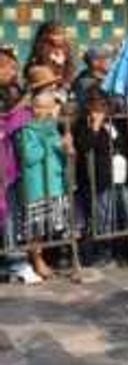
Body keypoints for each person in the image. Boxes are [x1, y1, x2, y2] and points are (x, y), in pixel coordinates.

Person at [17, 71, 73, 280]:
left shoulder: (51, 128)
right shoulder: (28, 129)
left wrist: (65, 146)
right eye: (43, 108)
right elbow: (30, 156)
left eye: (50, 108)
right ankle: (36, 259)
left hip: (54, 182)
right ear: (34, 109)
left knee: (53, 223)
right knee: (36, 228)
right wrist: (46, 141)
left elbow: (59, 148)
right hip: (37, 185)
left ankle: (51, 257)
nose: (48, 113)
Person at [73, 89, 128, 261]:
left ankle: (125, 248)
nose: (101, 106)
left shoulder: (113, 122)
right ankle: (104, 251)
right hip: (98, 179)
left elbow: (124, 143)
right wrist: (94, 126)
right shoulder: (83, 123)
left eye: (103, 103)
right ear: (88, 105)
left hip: (119, 177)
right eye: (96, 103)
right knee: (104, 218)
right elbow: (84, 145)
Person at [0, 45, 41, 284]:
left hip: (10, 163)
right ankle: (13, 261)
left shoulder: (14, 89)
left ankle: (14, 259)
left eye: (14, 66)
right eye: (7, 67)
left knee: (12, 210)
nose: (13, 70)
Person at [73, 44, 113, 112]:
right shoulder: (84, 79)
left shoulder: (111, 77)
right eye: (98, 58)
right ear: (91, 62)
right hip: (93, 115)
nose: (105, 61)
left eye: (107, 58)